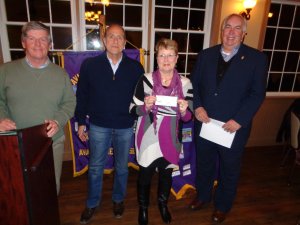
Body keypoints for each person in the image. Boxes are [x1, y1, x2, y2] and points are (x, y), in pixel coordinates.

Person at [189, 13, 268, 223]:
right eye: (228, 27)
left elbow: (257, 93)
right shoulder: (206, 55)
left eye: (237, 28)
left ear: (243, 34)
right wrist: (198, 107)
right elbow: (194, 85)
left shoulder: (256, 59)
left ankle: (222, 206)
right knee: (204, 164)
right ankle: (203, 197)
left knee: (229, 168)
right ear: (221, 30)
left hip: (233, 128)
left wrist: (239, 120)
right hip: (205, 123)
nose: (231, 32)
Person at [75, 24, 145, 224]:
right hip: (98, 125)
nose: (115, 40)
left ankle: (118, 199)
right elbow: (82, 96)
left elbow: (140, 99)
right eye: (111, 37)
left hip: (125, 126)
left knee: (122, 167)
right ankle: (92, 203)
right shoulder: (90, 65)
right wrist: (81, 122)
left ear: (124, 42)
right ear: (104, 41)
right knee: (96, 167)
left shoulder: (135, 67)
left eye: (120, 37)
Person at [0, 21, 76, 194]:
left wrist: (58, 120)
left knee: (49, 190)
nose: (37, 44)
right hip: (15, 143)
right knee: (18, 191)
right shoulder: (5, 71)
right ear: (23, 43)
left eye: (43, 39)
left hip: (50, 143)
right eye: (32, 39)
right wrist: (1, 118)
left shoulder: (60, 74)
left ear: (49, 44)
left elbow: (70, 103)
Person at [129, 38, 193, 225]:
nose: (166, 59)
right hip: (148, 136)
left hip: (171, 138)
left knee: (166, 175)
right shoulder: (146, 80)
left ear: (177, 58)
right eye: (162, 55)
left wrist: (183, 110)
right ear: (156, 58)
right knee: (145, 175)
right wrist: (145, 107)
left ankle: (163, 204)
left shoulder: (186, 83)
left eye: (170, 55)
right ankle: (143, 208)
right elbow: (132, 109)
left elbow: (189, 117)